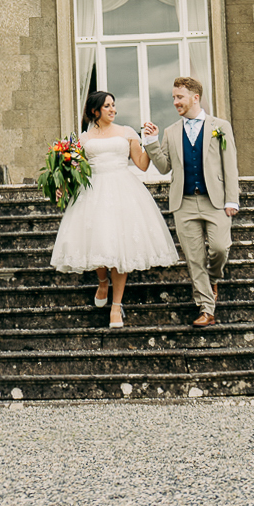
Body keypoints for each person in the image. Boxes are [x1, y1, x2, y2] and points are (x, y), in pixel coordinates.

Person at [47, 90, 179, 329]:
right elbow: (75, 170)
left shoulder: (127, 132)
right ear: (95, 111)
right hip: (93, 191)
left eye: (114, 105)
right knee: (97, 240)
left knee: (120, 246)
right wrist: (62, 186)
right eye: (107, 106)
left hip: (123, 189)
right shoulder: (83, 139)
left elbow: (140, 164)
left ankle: (116, 306)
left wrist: (150, 142)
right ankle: (102, 281)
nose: (113, 109)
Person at [141, 76, 240, 328]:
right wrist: (151, 143)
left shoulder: (220, 126)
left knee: (219, 248)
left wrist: (232, 200)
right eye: (174, 97)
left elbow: (230, 165)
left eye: (179, 97)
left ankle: (214, 278)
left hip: (215, 201)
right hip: (183, 203)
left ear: (195, 97)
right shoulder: (171, 132)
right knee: (194, 259)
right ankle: (207, 309)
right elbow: (163, 168)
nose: (175, 102)